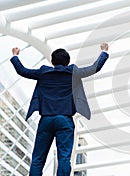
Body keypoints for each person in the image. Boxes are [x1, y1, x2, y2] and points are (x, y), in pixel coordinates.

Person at [10, 43, 109, 176]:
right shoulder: (73, 72)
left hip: (46, 120)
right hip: (64, 120)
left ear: (52, 61)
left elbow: (23, 70)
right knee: (63, 159)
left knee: (38, 160)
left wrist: (15, 56)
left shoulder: (43, 72)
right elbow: (94, 68)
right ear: (68, 62)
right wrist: (104, 52)